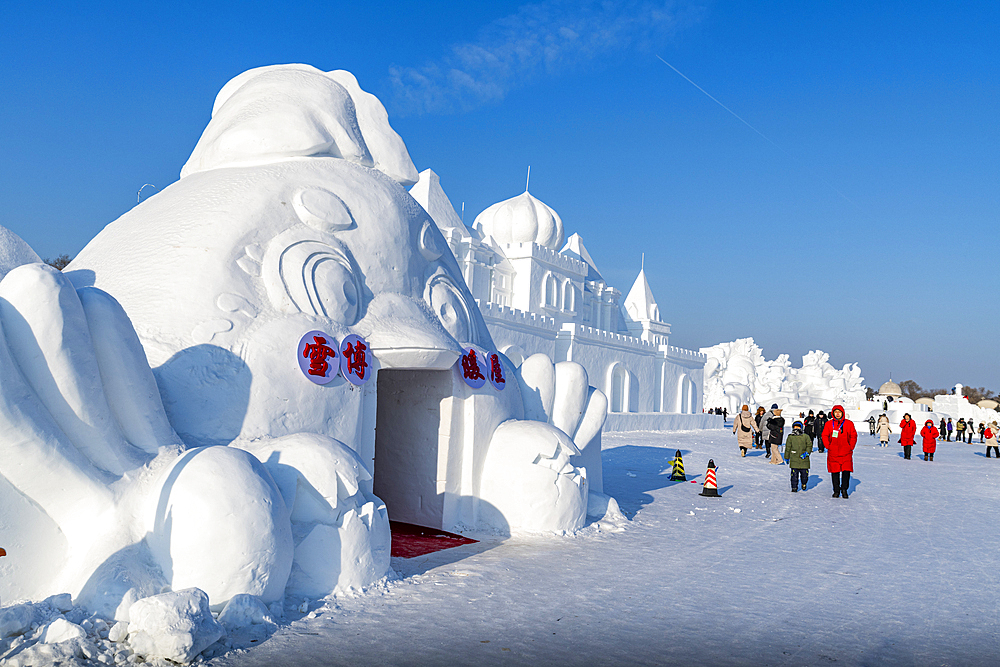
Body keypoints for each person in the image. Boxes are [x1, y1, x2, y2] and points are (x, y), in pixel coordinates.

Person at [822, 405, 857, 498]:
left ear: (843, 413)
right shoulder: (829, 424)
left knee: (846, 472)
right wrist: (828, 446)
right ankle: (836, 490)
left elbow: (853, 435)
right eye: (835, 412)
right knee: (835, 472)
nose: (837, 414)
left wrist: (850, 447)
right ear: (833, 413)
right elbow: (824, 435)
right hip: (833, 452)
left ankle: (844, 489)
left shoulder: (849, 424)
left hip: (846, 452)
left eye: (839, 412)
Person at [784, 420, 811, 492]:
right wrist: (787, 457)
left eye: (798, 427)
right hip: (794, 459)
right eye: (795, 427)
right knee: (794, 475)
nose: (797, 428)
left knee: (804, 475)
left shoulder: (806, 436)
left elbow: (809, 446)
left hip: (804, 460)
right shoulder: (791, 437)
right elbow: (788, 447)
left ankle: (804, 483)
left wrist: (806, 453)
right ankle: (794, 487)